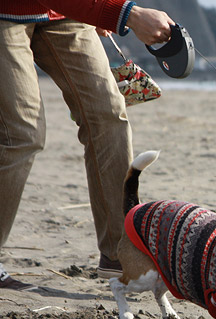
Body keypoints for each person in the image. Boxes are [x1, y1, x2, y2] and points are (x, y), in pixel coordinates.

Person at [0, 1, 174, 290]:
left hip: (61, 13)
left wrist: (100, 6)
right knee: (22, 132)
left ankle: (120, 254)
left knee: (108, 116)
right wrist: (125, 13)